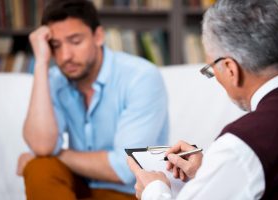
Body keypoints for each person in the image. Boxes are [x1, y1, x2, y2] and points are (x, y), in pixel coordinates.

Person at [127, 0, 278, 199]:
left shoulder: (240, 146)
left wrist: (153, 190)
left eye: (211, 69)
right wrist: (210, 172)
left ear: (230, 69)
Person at [16, 0, 169, 199]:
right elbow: (42, 147)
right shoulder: (54, 79)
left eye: (75, 41)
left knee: (42, 160)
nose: (65, 56)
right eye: (56, 45)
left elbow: (124, 168)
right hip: (78, 187)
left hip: (127, 193)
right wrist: (41, 64)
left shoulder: (141, 77)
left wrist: (59, 154)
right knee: (40, 167)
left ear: (98, 36)